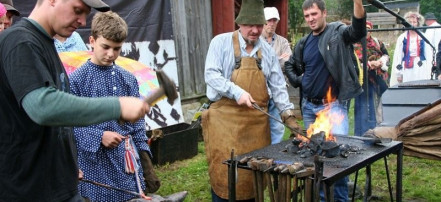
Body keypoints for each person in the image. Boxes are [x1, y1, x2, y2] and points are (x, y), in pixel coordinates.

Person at [0, 0, 150, 201]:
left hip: (57, 183)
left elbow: (60, 124)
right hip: (28, 190)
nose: (82, 20)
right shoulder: (21, 42)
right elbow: (42, 107)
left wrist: (67, 165)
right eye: (78, 10)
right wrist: (118, 106)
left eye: (86, 13)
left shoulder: (46, 44)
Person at [202, 0, 301, 201]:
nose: (255, 30)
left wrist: (288, 116)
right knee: (226, 177)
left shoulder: (267, 52)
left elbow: (278, 86)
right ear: (240, 23)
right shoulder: (220, 43)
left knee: (252, 180)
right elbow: (211, 74)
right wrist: (236, 92)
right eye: (250, 25)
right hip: (224, 124)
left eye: (259, 25)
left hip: (256, 127)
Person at [69, 11, 157, 202]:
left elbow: (137, 125)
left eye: (116, 49)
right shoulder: (77, 80)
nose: (111, 54)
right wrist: (99, 136)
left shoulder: (128, 79)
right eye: (105, 47)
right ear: (92, 41)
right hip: (94, 163)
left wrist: (144, 157)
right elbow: (68, 124)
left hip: (126, 161)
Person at [285, 0, 366, 201]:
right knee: (316, 159)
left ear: (324, 13)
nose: (311, 19)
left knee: (335, 160)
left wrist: (358, 2)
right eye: (307, 16)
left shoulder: (337, 32)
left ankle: (340, 199)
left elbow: (357, 31)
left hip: (333, 108)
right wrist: (300, 81)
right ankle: (322, 198)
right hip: (310, 107)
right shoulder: (304, 43)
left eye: (314, 14)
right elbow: (289, 66)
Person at [260, 6, 293, 144]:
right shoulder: (256, 40)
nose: (272, 24)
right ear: (262, 21)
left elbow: (289, 61)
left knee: (277, 126)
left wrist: (275, 61)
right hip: (260, 91)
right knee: (259, 125)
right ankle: (259, 151)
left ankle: (273, 153)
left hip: (278, 89)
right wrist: (278, 59)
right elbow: (259, 65)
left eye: (275, 20)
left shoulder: (282, 41)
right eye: (269, 20)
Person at [353, 21, 390, 136]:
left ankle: (377, 132)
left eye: (368, 29)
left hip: (378, 80)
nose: (366, 32)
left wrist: (381, 62)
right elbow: (354, 62)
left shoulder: (377, 43)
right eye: (363, 29)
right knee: (363, 107)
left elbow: (386, 55)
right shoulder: (354, 44)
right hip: (362, 81)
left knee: (377, 107)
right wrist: (369, 64)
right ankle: (362, 133)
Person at [390, 11, 433, 87]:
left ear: (418, 23)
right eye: (410, 22)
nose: (412, 24)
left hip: (421, 67)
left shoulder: (423, 36)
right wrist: (398, 73)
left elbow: (429, 55)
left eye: (414, 22)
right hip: (407, 68)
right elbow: (398, 56)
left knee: (421, 87)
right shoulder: (402, 38)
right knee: (408, 88)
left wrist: (429, 71)